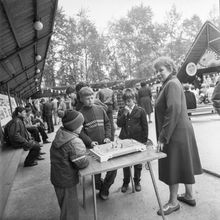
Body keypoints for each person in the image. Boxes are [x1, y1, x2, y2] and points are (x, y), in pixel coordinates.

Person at [153, 57, 203, 216]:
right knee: (184, 162)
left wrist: (163, 137)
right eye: (157, 71)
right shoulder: (171, 83)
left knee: (172, 164)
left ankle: (173, 202)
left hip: (175, 132)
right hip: (180, 130)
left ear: (169, 68)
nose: (158, 73)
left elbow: (172, 110)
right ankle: (189, 195)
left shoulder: (172, 84)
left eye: (160, 70)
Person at [79, 86, 117, 200]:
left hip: (105, 145)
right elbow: (80, 132)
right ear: (81, 99)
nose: (90, 100)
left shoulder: (100, 109)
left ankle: (105, 188)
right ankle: (100, 186)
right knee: (96, 173)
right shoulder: (80, 114)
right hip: (92, 149)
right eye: (87, 99)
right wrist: (90, 142)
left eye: (91, 97)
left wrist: (108, 137)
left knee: (113, 168)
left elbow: (107, 124)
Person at [50, 109, 89, 220]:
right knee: (70, 211)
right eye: (80, 124)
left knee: (65, 206)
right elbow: (82, 162)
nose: (82, 126)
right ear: (74, 126)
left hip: (58, 177)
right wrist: (87, 158)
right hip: (67, 180)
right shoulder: (74, 141)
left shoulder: (61, 133)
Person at [117, 88, 148, 192]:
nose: (127, 103)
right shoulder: (122, 111)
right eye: (125, 101)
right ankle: (126, 182)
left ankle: (137, 181)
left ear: (134, 99)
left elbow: (145, 127)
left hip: (137, 140)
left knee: (138, 163)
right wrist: (124, 114)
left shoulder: (141, 110)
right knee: (126, 163)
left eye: (129, 100)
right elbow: (119, 124)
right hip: (125, 140)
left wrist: (144, 141)